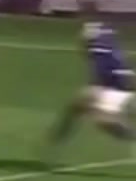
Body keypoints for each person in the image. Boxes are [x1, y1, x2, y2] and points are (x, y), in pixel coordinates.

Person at [49, 20, 135, 154]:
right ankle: (56, 138)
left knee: (105, 122)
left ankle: (56, 139)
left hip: (116, 85)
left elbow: (106, 71)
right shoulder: (105, 46)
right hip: (112, 83)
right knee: (77, 104)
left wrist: (98, 89)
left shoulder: (99, 51)